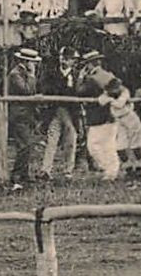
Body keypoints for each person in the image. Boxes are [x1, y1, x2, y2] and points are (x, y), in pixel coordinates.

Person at [75, 51, 122, 181]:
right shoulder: (109, 75)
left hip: (98, 116)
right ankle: (111, 171)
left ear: (90, 65)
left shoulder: (92, 78)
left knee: (93, 146)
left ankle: (109, 170)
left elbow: (79, 92)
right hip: (110, 115)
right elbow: (118, 89)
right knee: (108, 145)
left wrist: (80, 78)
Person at [39, 48, 81, 181]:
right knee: (52, 140)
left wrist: (69, 86)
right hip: (54, 111)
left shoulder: (76, 75)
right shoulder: (51, 73)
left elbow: (78, 92)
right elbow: (46, 89)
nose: (69, 61)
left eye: (71, 59)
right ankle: (45, 170)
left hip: (70, 112)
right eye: (68, 58)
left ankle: (68, 170)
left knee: (71, 141)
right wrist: (64, 85)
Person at [4, 47, 44, 186]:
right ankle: (16, 174)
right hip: (19, 113)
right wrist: (32, 76)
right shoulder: (15, 74)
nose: (34, 65)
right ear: (26, 61)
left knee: (27, 145)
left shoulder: (23, 73)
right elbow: (27, 91)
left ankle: (24, 173)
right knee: (24, 145)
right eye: (32, 62)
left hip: (27, 113)